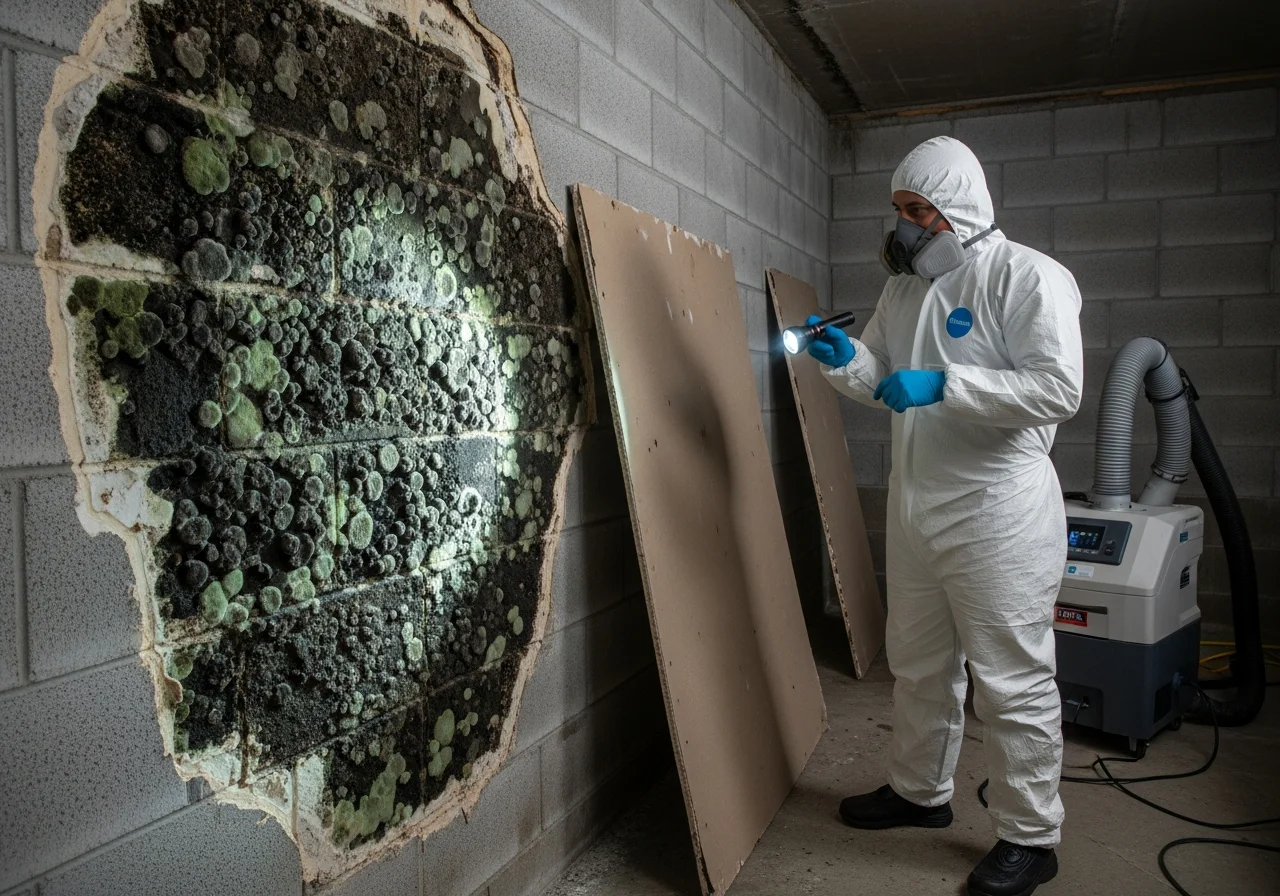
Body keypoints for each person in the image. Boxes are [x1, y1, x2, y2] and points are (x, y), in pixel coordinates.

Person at [806, 136, 1083, 896]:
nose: (905, 226)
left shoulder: (1027, 277)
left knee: (1012, 679)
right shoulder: (903, 292)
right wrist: (843, 359)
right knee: (919, 664)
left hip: (998, 510)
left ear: (959, 209)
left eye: (919, 210)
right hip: (917, 503)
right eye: (899, 210)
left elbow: (1058, 389)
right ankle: (919, 792)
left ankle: (1031, 836)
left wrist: (946, 385)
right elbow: (881, 378)